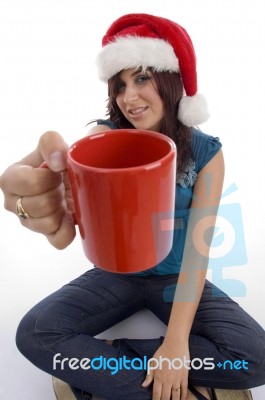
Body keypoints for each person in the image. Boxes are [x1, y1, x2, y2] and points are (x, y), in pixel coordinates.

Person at [0, 13, 264, 400]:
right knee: (36, 332)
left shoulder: (208, 154)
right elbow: (84, 147)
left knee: (255, 359)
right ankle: (181, 391)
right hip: (117, 276)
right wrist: (56, 176)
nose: (129, 97)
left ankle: (100, 368)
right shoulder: (107, 135)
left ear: (172, 81)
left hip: (178, 281)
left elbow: (197, 251)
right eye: (119, 85)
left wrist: (175, 346)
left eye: (141, 78)